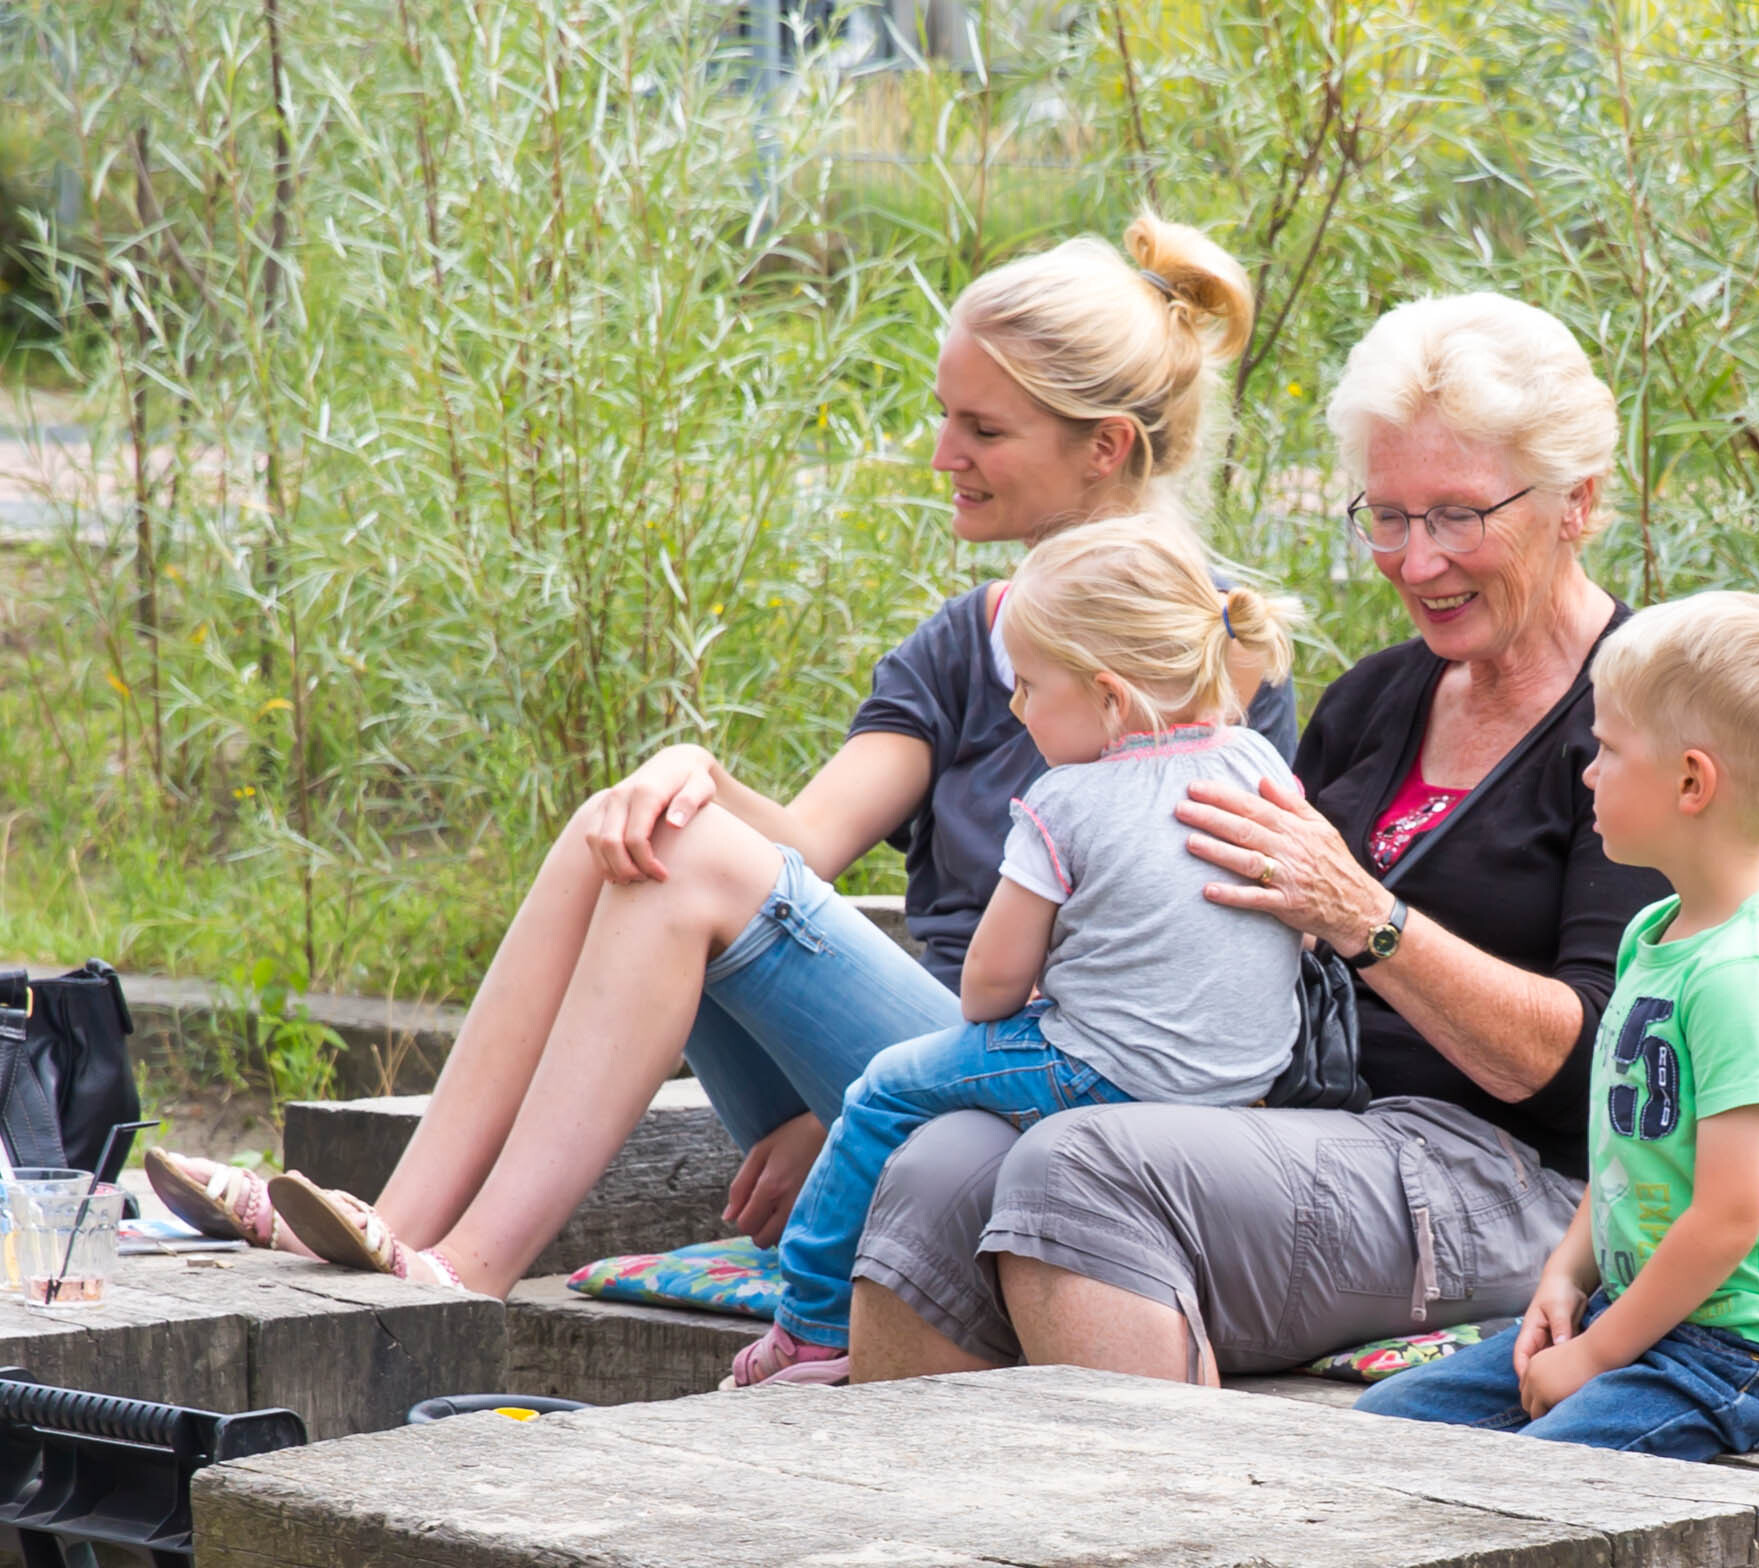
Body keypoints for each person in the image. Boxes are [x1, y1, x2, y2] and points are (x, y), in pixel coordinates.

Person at [136, 214, 1298, 1288]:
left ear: (1103, 447)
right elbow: (807, 846)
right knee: (633, 828)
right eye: (945, 413)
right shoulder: (968, 638)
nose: (941, 451)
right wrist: (691, 769)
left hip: (1051, 1098)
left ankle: (470, 1267)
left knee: (681, 857)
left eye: (984, 428)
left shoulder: (1209, 649)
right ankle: (395, 1216)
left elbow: (1193, 975)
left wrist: (873, 1097)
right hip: (913, 1063)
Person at [843, 292, 1665, 1385]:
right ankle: (929, 1544)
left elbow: (1597, 1065)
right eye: (1386, 515)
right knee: (938, 1165)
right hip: (1291, 1133)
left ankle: (1173, 1539)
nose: (1415, 562)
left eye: (1458, 516)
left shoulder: (1640, 725)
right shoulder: (1375, 702)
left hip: (1508, 1182)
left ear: (1577, 504)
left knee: (1075, 1168)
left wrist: (1365, 919)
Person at [727, 514, 1305, 1384]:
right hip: (1241, 1080)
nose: (1013, 707)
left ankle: (808, 1322)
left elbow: (987, 989)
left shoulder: (1063, 800)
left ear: (1109, 697)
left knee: (882, 1091)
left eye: (1028, 684)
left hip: (1110, 1071)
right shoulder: (1256, 759)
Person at [1354, 593, 1759, 1455]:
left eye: (1609, 751)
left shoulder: (1742, 971)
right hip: (1636, 1317)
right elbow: (1626, 1150)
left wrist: (1590, 1357)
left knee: (1544, 1474)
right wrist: (1564, 1277)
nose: (1587, 771)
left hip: (1749, 1354)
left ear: (1691, 782)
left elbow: (1728, 1215)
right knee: (1385, 1427)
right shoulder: (1651, 934)